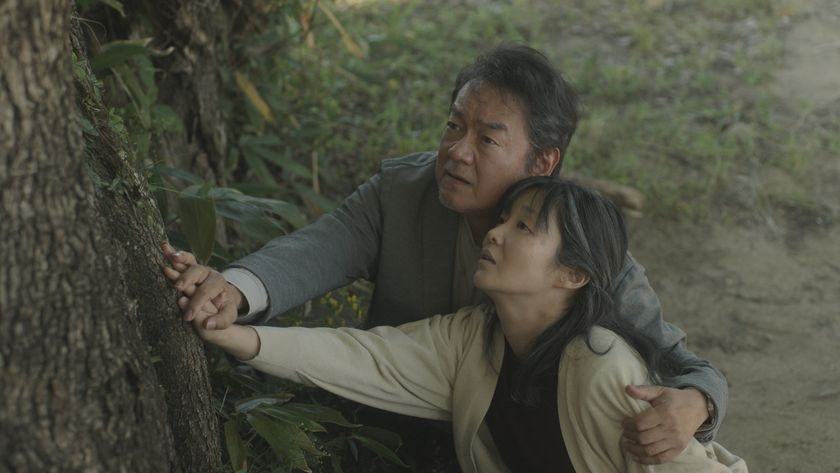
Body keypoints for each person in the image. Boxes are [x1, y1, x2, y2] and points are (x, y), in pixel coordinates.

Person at [163, 45, 727, 464]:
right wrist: (234, 293)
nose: (456, 151)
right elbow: (316, 253)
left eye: (487, 139)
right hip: (390, 440)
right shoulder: (402, 194)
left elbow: (683, 367)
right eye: (454, 125)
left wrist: (695, 404)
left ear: (543, 162)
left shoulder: (586, 254)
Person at [183, 177, 747, 473]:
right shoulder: (473, 338)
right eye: (503, 219)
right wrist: (236, 334)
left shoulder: (602, 366)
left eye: (523, 227)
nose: (494, 234)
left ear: (572, 274)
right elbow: (363, 357)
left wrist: (700, 399)